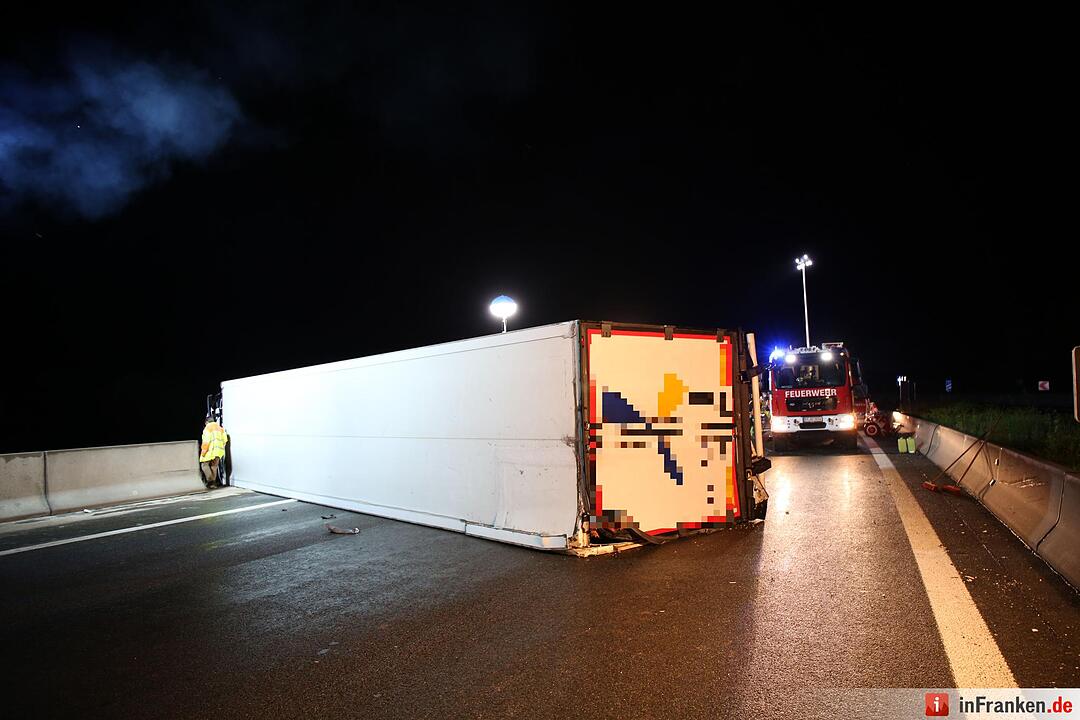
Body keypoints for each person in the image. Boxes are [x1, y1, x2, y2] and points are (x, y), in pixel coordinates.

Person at [200, 415, 229, 488]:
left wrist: (203, 453)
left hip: (210, 451)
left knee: (204, 465)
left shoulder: (207, 428)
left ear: (207, 422)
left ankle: (210, 481)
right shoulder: (221, 428)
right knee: (214, 467)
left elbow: (206, 441)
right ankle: (213, 484)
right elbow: (225, 440)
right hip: (218, 451)